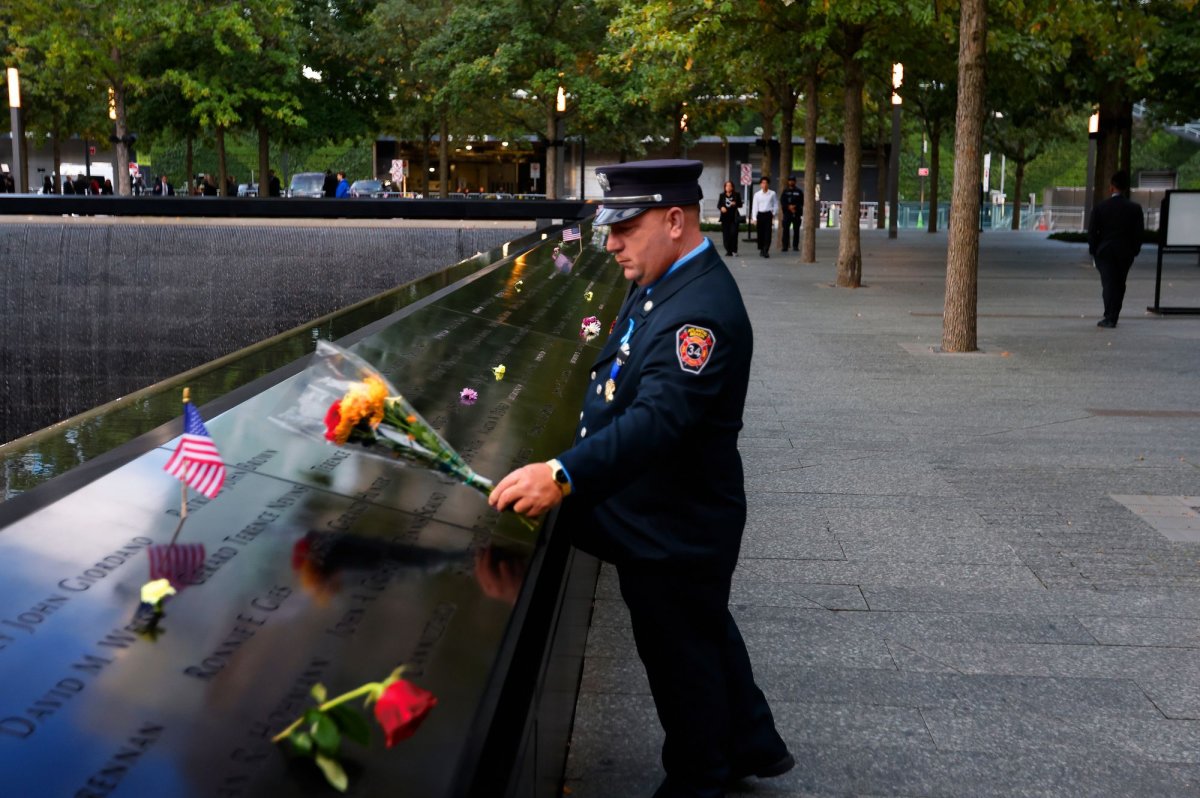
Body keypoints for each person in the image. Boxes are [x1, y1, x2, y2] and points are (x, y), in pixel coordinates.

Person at [489, 159, 793, 798]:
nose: (612, 242)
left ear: (675, 220)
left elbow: (658, 420)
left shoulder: (699, 314)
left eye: (625, 226)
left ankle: (699, 774)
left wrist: (562, 473)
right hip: (655, 500)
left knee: (677, 653)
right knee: (699, 626)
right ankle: (748, 740)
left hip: (671, 520)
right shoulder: (668, 279)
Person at [1088, 170, 1144, 328]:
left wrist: (1094, 250)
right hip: (1125, 252)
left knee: (1108, 283)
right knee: (1120, 283)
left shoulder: (1100, 207)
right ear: (1125, 188)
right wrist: (1134, 250)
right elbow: (1138, 233)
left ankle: (1109, 315)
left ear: (1111, 188)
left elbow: (1092, 231)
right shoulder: (1135, 208)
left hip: (1105, 251)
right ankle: (1114, 314)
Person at [750, 176, 777, 258]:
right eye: (762, 183)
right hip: (760, 215)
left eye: (766, 183)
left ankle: (766, 250)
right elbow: (755, 206)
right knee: (760, 233)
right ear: (760, 184)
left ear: (768, 184)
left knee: (768, 233)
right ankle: (761, 248)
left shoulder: (772, 193)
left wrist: (773, 213)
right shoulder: (757, 195)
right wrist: (754, 218)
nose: (764, 185)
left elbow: (775, 204)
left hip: (768, 214)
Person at [717, 180, 742, 257]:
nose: (728, 187)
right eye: (726, 186)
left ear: (732, 187)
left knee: (734, 234)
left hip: (734, 218)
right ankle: (728, 250)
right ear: (725, 187)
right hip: (725, 218)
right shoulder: (722, 195)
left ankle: (734, 250)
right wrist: (721, 208)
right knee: (726, 235)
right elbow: (719, 205)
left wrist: (735, 203)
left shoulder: (736, 195)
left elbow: (740, 204)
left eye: (729, 186)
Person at [780, 176, 803, 252]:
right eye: (790, 180)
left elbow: (801, 202)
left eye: (793, 181)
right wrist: (788, 207)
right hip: (787, 213)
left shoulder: (799, 192)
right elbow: (782, 202)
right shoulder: (785, 191)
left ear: (795, 182)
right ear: (788, 182)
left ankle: (795, 246)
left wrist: (795, 207)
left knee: (796, 230)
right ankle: (785, 246)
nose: (791, 182)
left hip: (796, 213)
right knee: (785, 230)